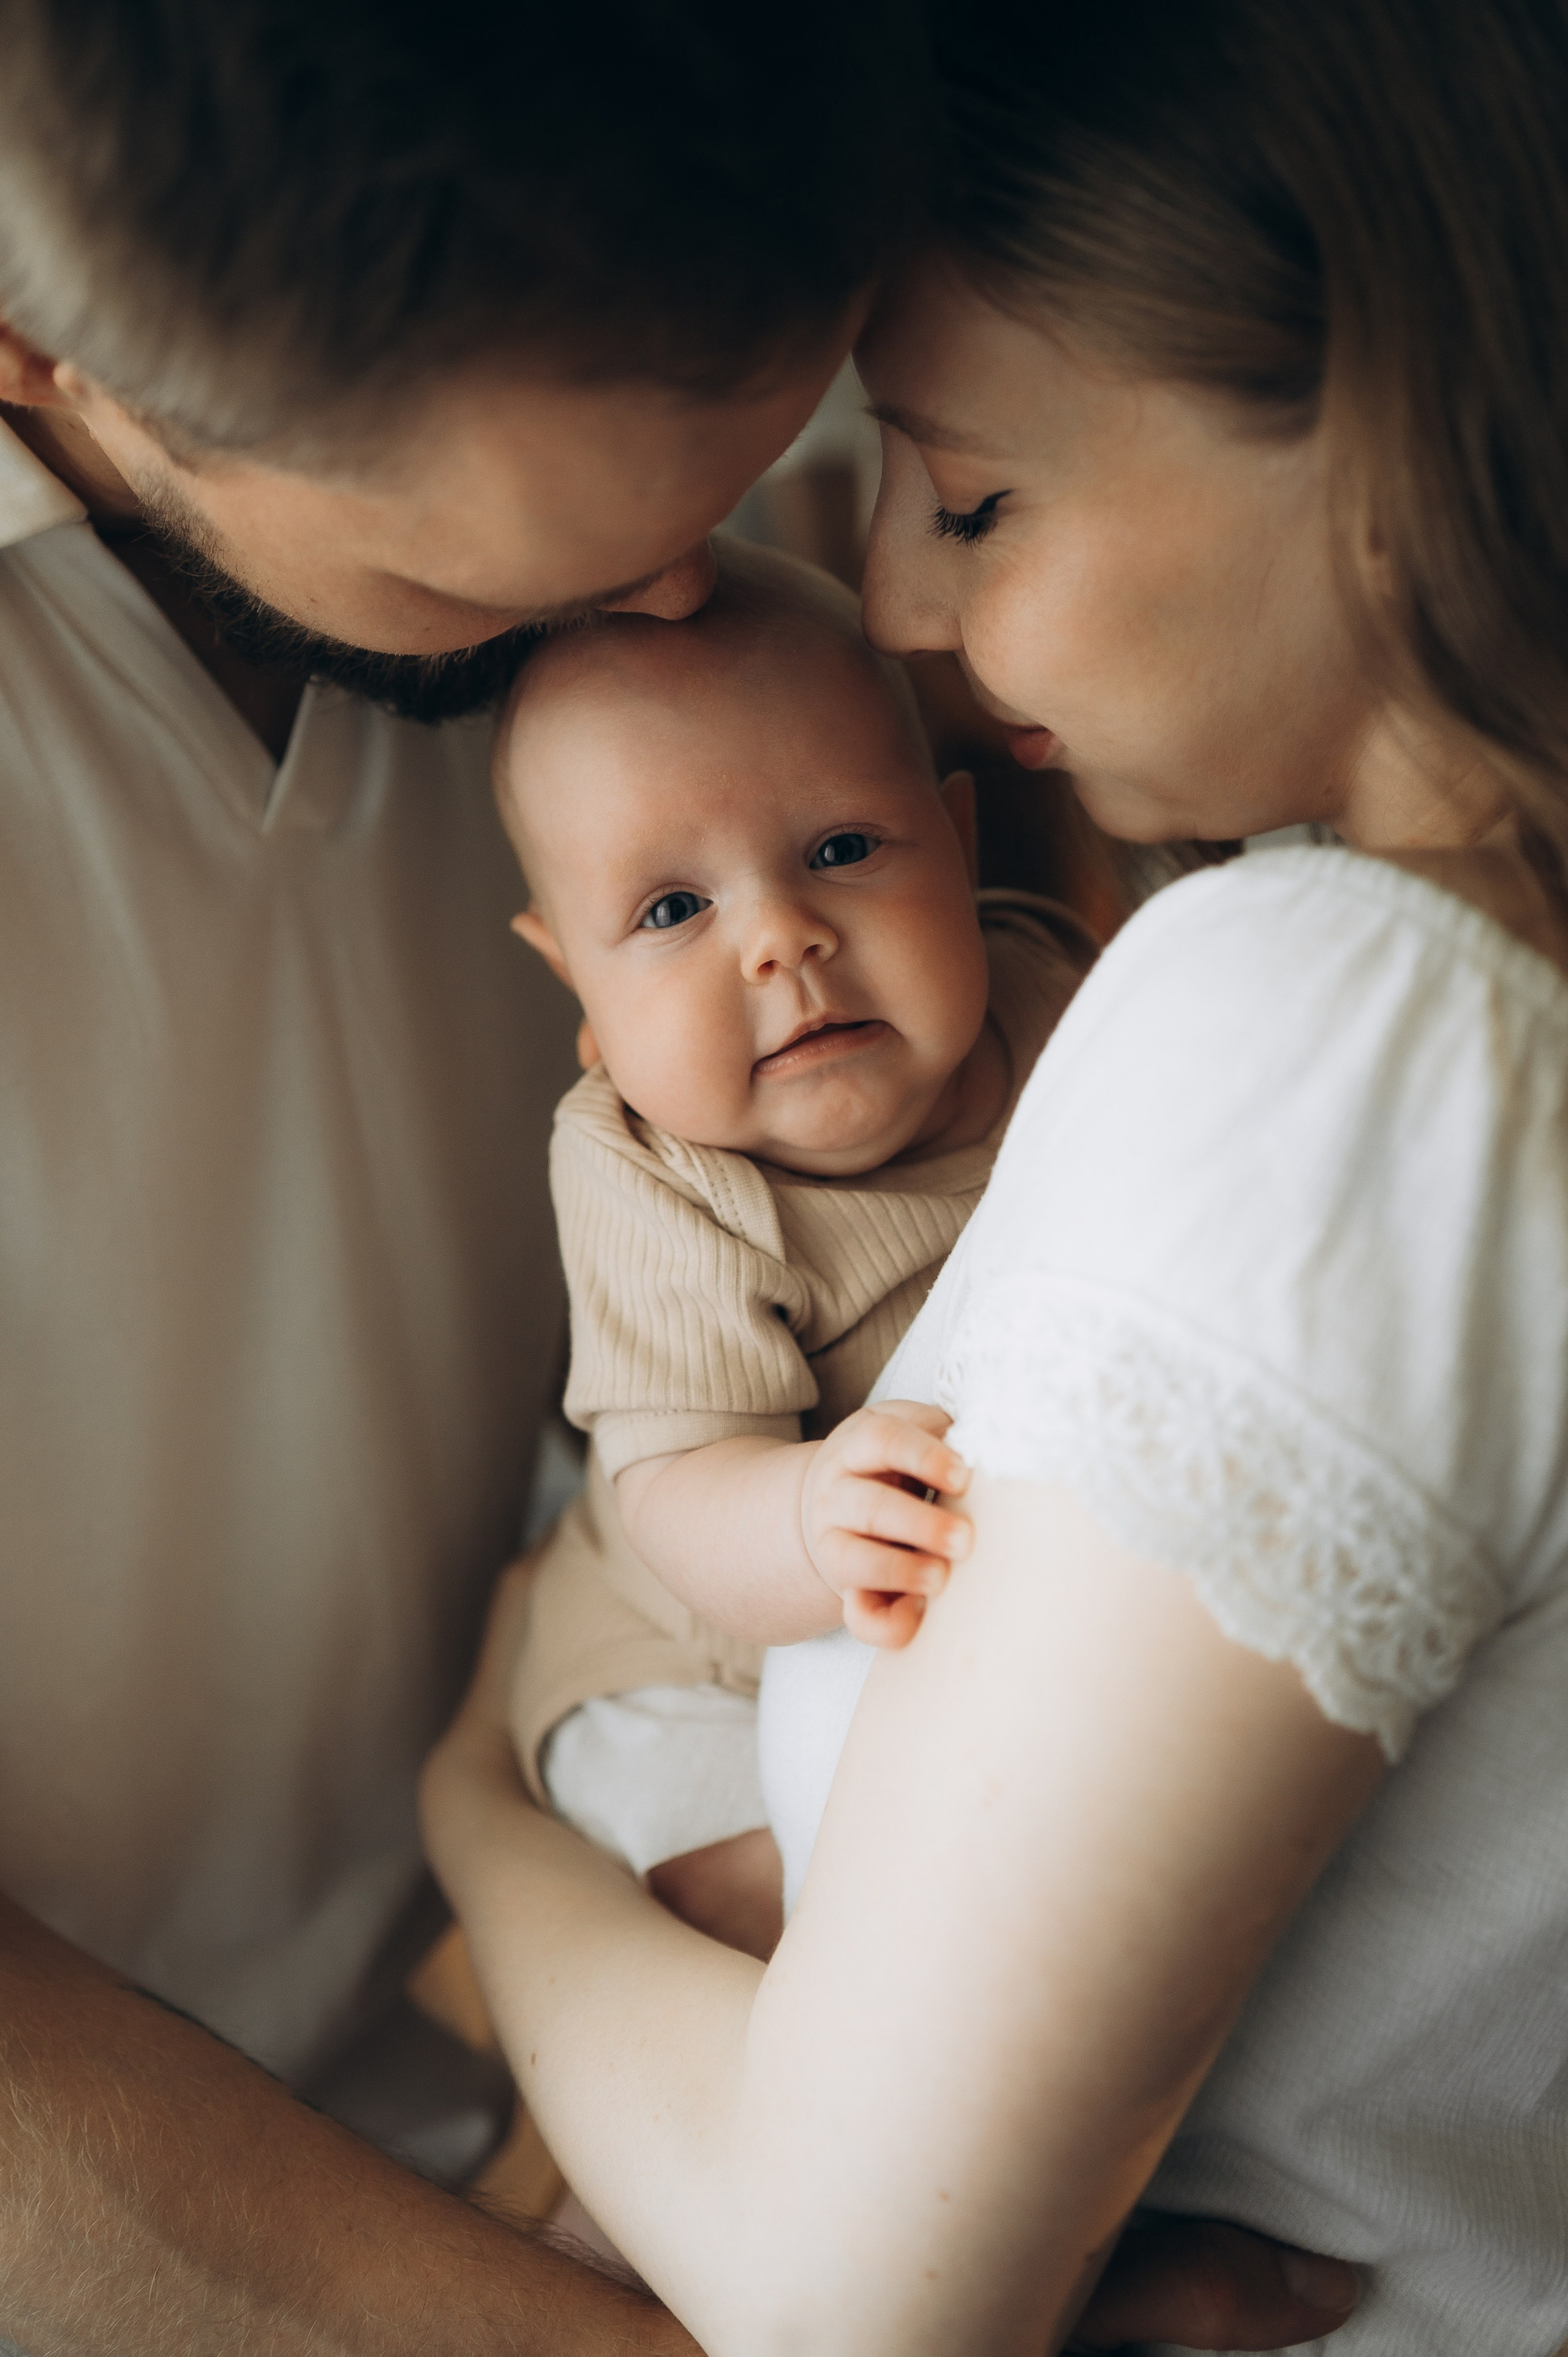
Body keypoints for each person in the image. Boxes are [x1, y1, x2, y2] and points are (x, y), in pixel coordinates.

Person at [0, 0, 1335, 2348]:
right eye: (508, 587)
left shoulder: (711, 288)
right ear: (41, 348)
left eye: (752, 469)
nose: (692, 607)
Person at [421, 0, 1568, 2349]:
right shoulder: (1404, 1009)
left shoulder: (1349, 1019)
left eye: (968, 497)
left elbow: (848, 2295)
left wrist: (483, 1837)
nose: (908, 610)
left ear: (1372, 431)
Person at [494, 540, 1087, 1955]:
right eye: (670, 910)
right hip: (688, 1657)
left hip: (940, 1607)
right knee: (777, 1895)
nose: (781, 939)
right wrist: (806, 1510)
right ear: (576, 983)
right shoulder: (652, 1170)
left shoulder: (1062, 998)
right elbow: (677, 1485)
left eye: (840, 849)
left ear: (956, 843)